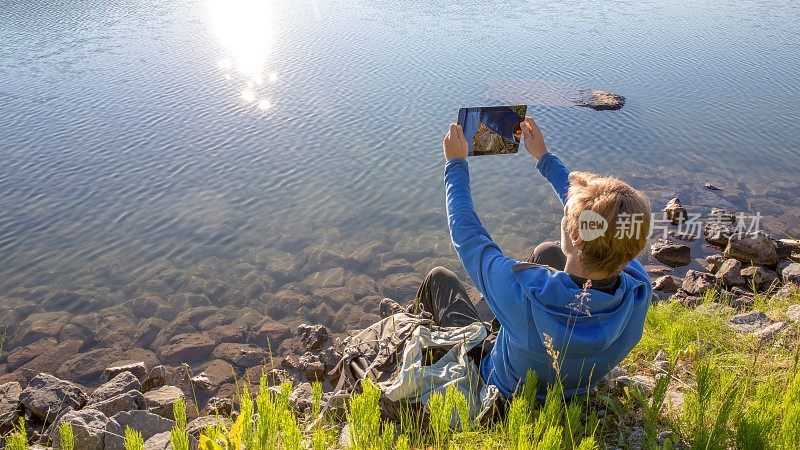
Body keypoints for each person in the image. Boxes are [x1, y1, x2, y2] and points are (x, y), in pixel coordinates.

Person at [410, 116, 653, 399]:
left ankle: (417, 346)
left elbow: (468, 236)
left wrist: (455, 165)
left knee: (439, 279)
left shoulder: (524, 291)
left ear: (576, 237)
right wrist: (544, 158)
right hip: (571, 384)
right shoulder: (638, 286)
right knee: (547, 253)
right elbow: (599, 221)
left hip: (504, 387)